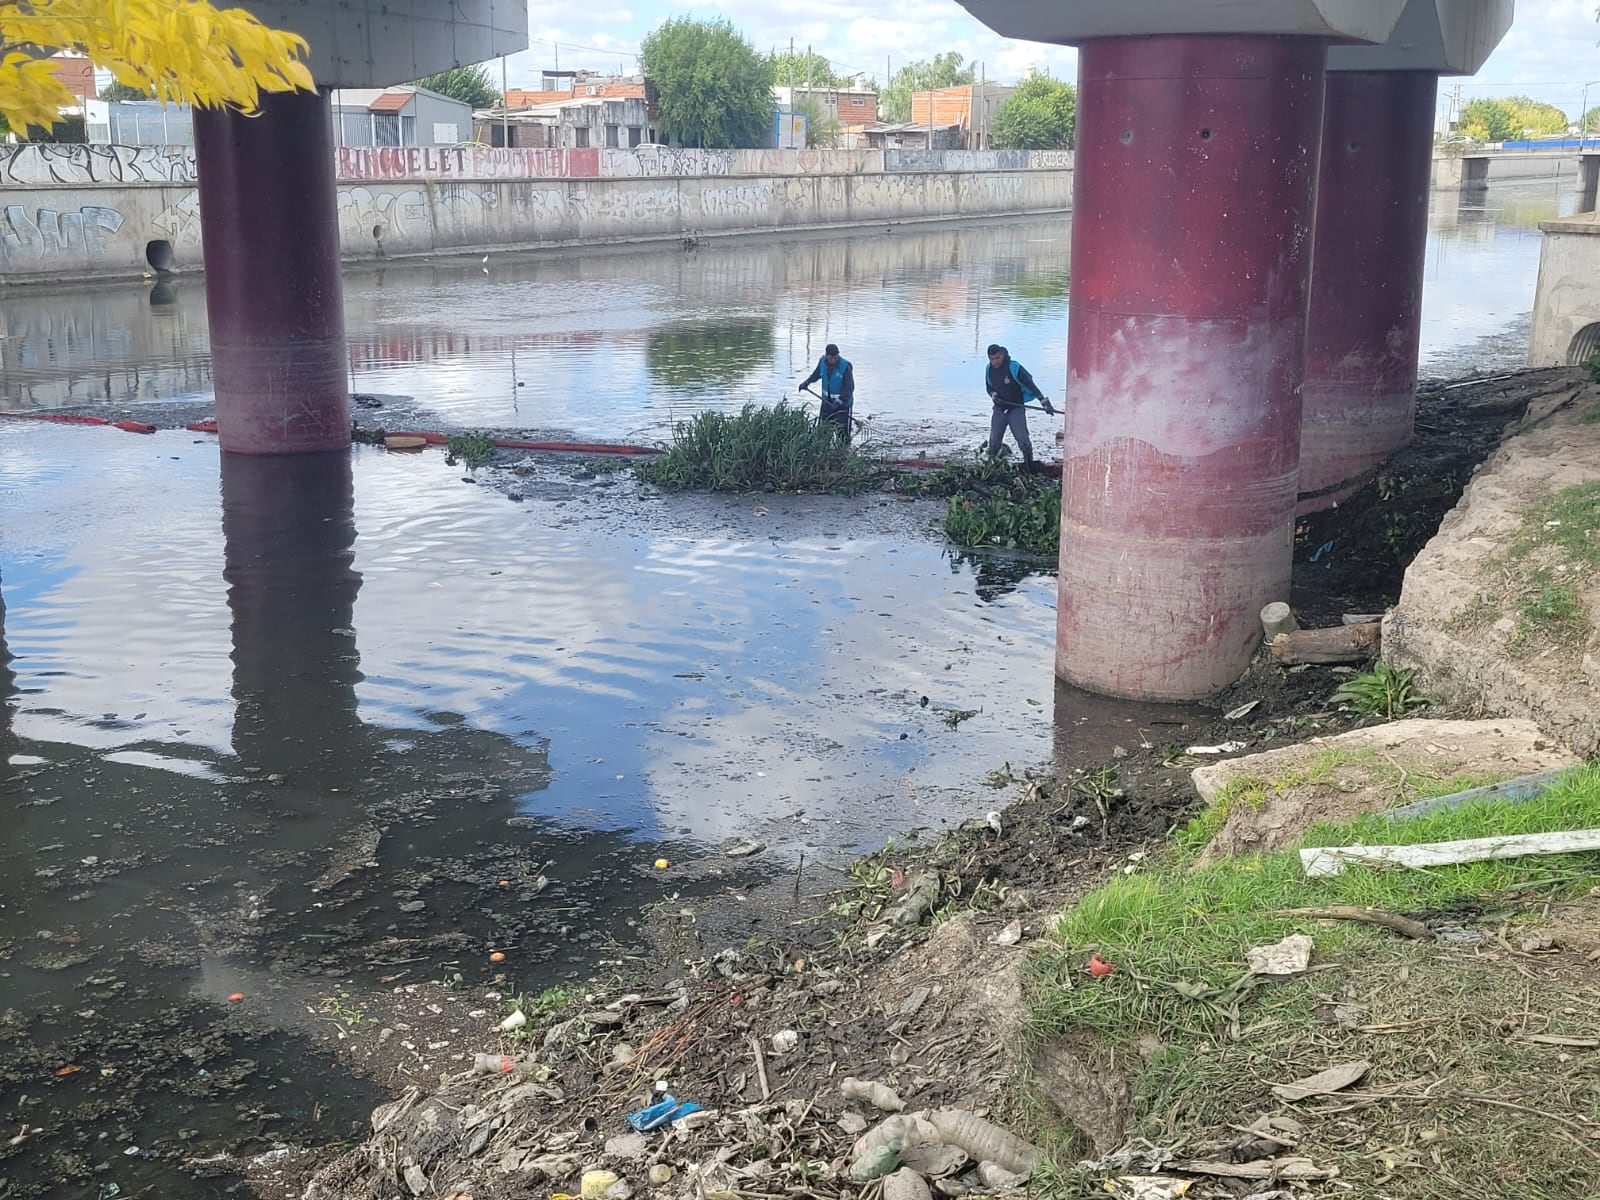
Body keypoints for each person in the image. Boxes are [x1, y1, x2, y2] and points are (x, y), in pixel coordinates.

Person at [984, 343, 1054, 469]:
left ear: (1003, 354)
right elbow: (989, 387)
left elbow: (1031, 385)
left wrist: (1044, 402)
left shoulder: (1014, 368)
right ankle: (990, 469)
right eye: (992, 359)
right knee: (994, 443)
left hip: (1016, 409)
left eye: (997, 358)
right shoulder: (989, 369)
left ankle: (1029, 468)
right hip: (999, 409)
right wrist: (993, 395)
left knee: (1023, 441)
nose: (995, 362)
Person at [801, 343, 855, 442]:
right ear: (826, 356)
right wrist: (806, 382)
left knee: (842, 434)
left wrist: (840, 401)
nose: (833, 360)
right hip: (827, 403)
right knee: (823, 431)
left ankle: (844, 449)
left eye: (835, 358)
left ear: (838, 355)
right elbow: (816, 374)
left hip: (843, 406)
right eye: (830, 358)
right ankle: (823, 449)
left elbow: (849, 388)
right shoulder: (822, 362)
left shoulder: (845, 367)